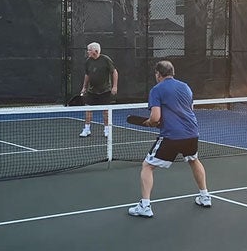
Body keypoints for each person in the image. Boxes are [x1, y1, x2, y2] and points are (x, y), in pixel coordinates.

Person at [128, 60, 211, 218]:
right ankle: (205, 196)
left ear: (158, 74)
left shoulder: (156, 89)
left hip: (172, 135)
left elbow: (155, 117)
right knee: (194, 160)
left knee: (147, 166)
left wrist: (150, 122)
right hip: (192, 133)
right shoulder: (186, 87)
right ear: (172, 73)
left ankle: (145, 206)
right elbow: (189, 110)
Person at [78, 42, 118, 137]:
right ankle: (87, 129)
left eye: (89, 50)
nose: (88, 52)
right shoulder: (88, 61)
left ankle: (107, 130)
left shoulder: (106, 60)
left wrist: (115, 86)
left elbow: (114, 72)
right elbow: (87, 75)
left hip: (105, 90)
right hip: (92, 91)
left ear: (95, 51)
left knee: (105, 111)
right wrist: (84, 87)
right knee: (88, 109)